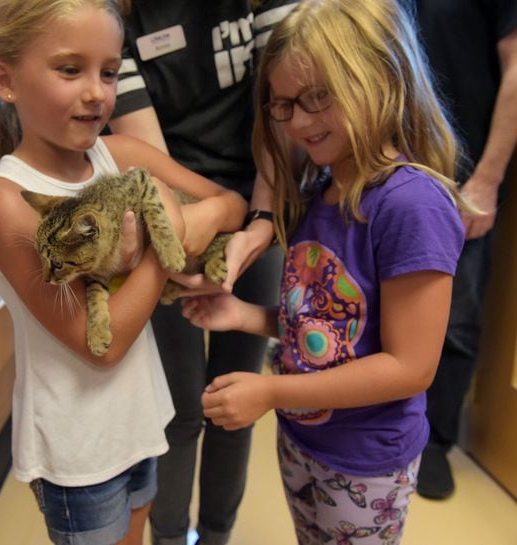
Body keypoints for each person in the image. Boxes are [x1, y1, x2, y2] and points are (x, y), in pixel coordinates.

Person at [180, 0, 472, 542]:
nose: (300, 122)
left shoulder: (411, 206)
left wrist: (270, 394)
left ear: (380, 78)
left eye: (318, 97)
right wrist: (244, 315)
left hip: (364, 463)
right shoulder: (320, 190)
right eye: (285, 105)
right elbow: (333, 330)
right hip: (304, 440)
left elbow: (410, 366)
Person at [0, 1, 247, 544]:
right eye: (70, 70)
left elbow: (232, 204)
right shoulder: (6, 202)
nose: (97, 92)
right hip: (78, 451)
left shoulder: (119, 155)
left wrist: (185, 216)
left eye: (110, 71)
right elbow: (103, 344)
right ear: (6, 80)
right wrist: (159, 239)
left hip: (140, 418)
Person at [108, 2, 298, 544]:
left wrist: (257, 224)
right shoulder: (120, 16)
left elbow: (279, 117)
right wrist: (191, 247)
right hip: (173, 216)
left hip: (261, 207)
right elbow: (150, 159)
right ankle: (171, 537)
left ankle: (216, 535)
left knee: (234, 403)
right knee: (180, 410)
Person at [410, 0, 517, 500]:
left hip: (465, 174)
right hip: (389, 165)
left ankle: (432, 440)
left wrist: (488, 180)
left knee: (456, 316)